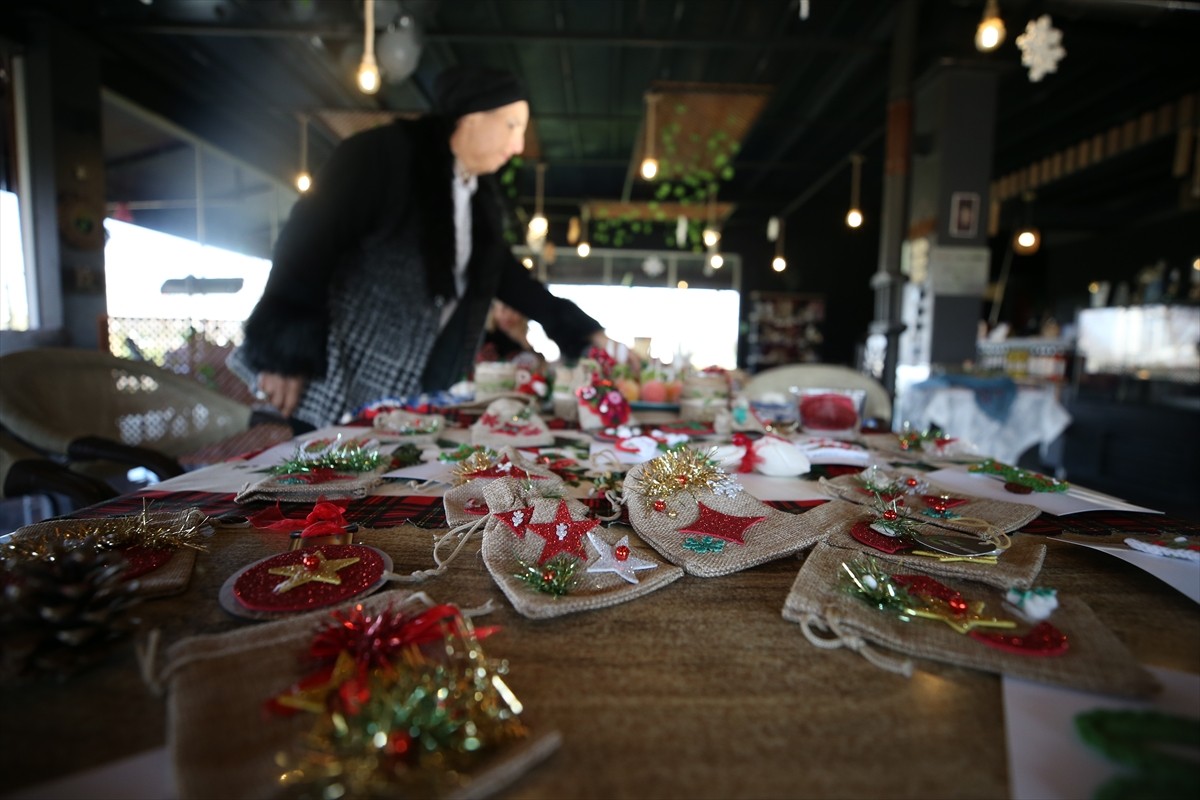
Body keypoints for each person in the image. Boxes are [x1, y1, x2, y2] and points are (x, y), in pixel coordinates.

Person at [228, 65, 610, 430]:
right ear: (472, 116)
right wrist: (283, 351)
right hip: (340, 377)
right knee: (322, 483)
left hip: (415, 388)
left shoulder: (478, 202)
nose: (518, 144)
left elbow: (508, 278)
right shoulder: (384, 156)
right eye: (512, 126)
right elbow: (308, 241)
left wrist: (578, 330)